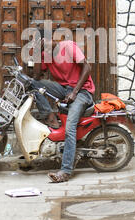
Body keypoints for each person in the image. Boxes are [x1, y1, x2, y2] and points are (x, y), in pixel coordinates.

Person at [32, 30, 95, 183]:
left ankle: (66, 171)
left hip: (82, 92)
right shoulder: (45, 56)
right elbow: (37, 76)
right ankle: (50, 117)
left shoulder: (68, 47)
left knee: (69, 128)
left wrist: (74, 92)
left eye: (40, 41)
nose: (38, 45)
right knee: (33, 85)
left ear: (49, 39)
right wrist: (36, 55)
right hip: (64, 89)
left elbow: (87, 68)